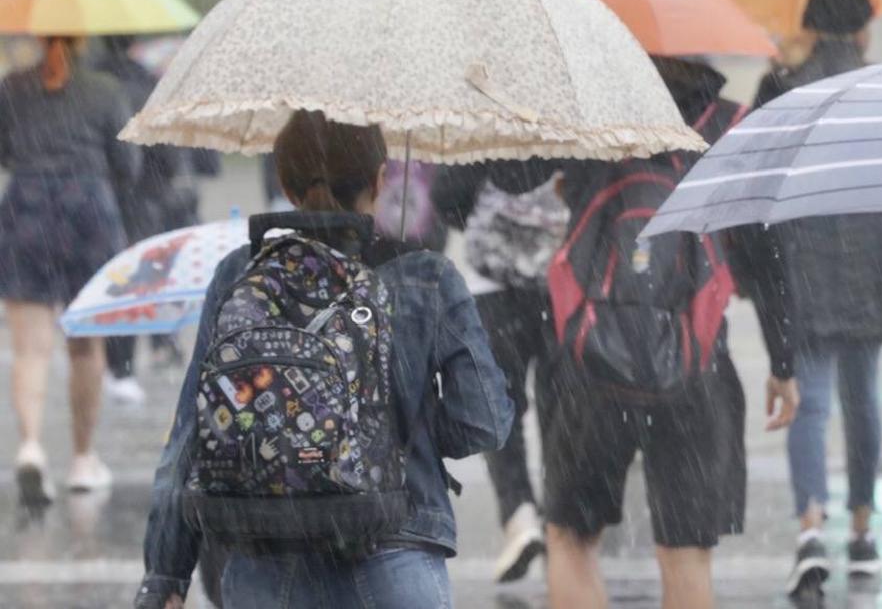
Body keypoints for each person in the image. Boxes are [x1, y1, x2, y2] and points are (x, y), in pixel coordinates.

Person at [135, 111, 513, 609]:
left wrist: (165, 575)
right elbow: (483, 422)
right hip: (396, 554)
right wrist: (399, 432)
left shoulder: (241, 274)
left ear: (287, 186)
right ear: (381, 181)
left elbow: (188, 437)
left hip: (266, 562)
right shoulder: (427, 277)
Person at [491, 57, 799, 609]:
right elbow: (766, 255)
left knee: (571, 537)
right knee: (685, 551)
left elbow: (507, 176)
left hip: (590, 361)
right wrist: (783, 362)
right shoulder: (729, 124)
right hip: (695, 361)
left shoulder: (589, 120)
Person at [730, 0, 882, 594]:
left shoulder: (781, 85)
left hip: (801, 263)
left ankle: (809, 529)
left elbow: (753, 180)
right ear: (859, 27)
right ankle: (862, 533)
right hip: (875, 263)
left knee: (811, 398)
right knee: (864, 402)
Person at [0, 35, 142, 505]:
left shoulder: (12, 89)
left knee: (30, 349)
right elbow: (127, 163)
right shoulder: (105, 90)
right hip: (89, 210)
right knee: (85, 346)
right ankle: (82, 460)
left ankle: (31, 448)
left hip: (26, 208)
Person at [432, 162, 568, 583]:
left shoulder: (491, 129)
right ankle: (562, 518)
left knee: (500, 407)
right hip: (558, 286)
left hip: (491, 289)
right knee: (558, 405)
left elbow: (445, 197)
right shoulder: (568, 123)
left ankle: (519, 515)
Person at [95, 36, 220, 402]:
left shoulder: (95, 86)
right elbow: (169, 154)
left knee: (112, 279)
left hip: (103, 197)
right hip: (148, 199)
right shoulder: (151, 87)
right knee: (147, 275)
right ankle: (157, 343)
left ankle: (111, 357)